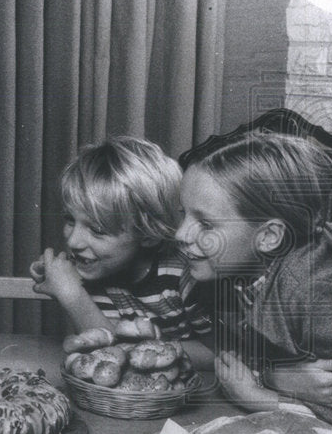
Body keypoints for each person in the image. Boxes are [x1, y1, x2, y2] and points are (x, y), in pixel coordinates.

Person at [177, 132, 332, 422]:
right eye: (182, 213)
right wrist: (275, 376)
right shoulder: (234, 269)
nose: (180, 234)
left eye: (206, 223)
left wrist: (258, 397)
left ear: (269, 237)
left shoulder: (315, 293)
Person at [30, 136, 214, 367]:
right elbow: (105, 355)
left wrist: (72, 296)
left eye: (97, 229)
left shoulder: (186, 275)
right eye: (70, 220)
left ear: (148, 234)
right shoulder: (96, 268)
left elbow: (215, 355)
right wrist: (59, 280)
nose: (74, 241)